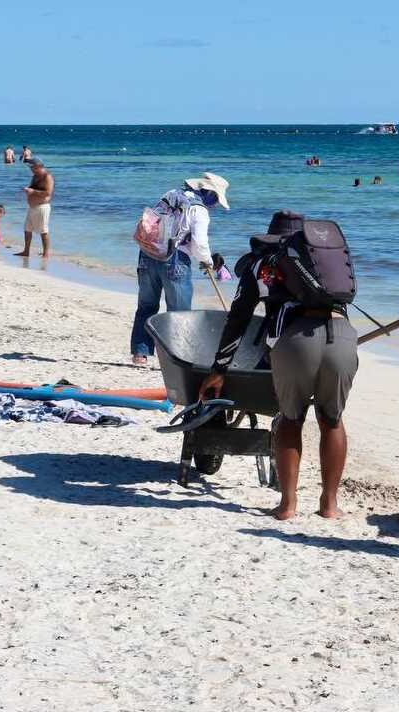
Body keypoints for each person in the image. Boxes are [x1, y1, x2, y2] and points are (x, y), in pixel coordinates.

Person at [198, 210, 359, 521]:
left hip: (295, 344)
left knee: (290, 419)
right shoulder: (324, 265)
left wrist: (219, 369)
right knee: (332, 420)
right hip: (342, 338)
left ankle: (287, 506)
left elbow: (238, 320)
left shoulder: (262, 264)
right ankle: (329, 506)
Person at [128, 172, 228, 364]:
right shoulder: (199, 210)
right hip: (175, 260)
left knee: (146, 306)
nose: (214, 204)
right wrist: (207, 261)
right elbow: (199, 243)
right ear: (207, 193)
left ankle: (140, 354)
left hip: (147, 254)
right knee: (179, 313)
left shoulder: (172, 194)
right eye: (215, 198)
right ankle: (177, 359)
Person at [18, 157, 54, 258]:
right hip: (32, 207)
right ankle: (26, 251)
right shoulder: (35, 176)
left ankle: (46, 254)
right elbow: (33, 188)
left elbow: (48, 193)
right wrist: (28, 190)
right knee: (27, 229)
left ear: (38, 166)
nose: (31, 169)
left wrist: (32, 192)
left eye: (32, 167)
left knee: (43, 230)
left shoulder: (47, 177)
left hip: (42, 207)